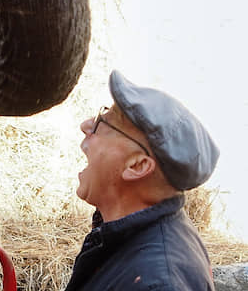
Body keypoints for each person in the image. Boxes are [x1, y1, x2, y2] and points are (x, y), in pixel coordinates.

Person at [65, 70, 220, 291]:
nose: (86, 125)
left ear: (137, 166)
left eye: (104, 123)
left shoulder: (156, 282)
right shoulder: (135, 235)